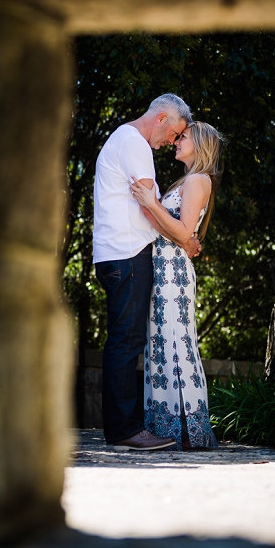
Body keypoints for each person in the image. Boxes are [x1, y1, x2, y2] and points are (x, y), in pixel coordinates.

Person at [92, 93, 199, 452]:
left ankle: (121, 427)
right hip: (128, 255)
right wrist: (185, 239)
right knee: (126, 341)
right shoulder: (135, 144)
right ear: (162, 118)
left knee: (123, 339)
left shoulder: (123, 139)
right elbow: (151, 209)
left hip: (116, 254)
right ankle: (125, 429)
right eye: (174, 133)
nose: (171, 141)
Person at [130, 121, 224, 451]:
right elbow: (177, 232)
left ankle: (187, 429)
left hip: (174, 275)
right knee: (161, 345)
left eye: (182, 137)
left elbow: (184, 232)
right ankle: (166, 425)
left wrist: (152, 203)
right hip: (162, 270)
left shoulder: (199, 180)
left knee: (176, 343)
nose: (176, 141)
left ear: (199, 144)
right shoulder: (185, 181)